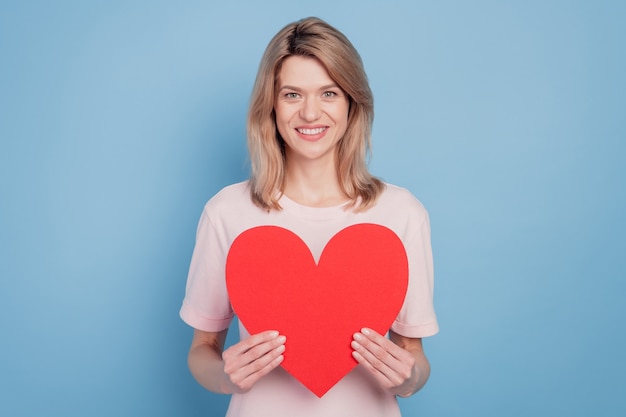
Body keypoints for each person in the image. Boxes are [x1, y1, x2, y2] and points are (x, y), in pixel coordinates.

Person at [180, 16, 438, 417]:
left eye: (329, 93)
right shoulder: (227, 212)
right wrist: (226, 377)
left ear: (353, 102)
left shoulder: (402, 213)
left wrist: (409, 380)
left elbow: (414, 359)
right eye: (293, 95)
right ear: (271, 104)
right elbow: (202, 351)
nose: (311, 113)